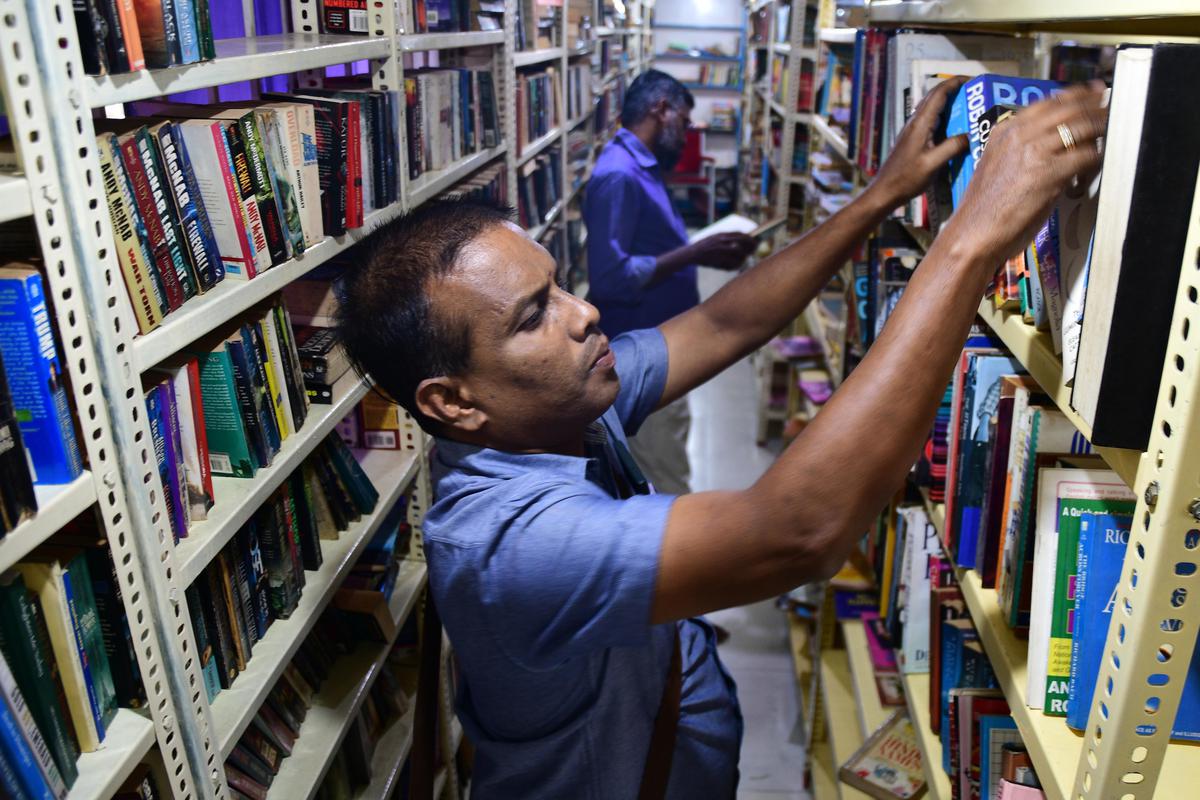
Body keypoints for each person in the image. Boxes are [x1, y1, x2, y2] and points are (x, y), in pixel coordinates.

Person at [336, 78, 1107, 799]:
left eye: (559, 284)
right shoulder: (509, 545)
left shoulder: (550, 406)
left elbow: (723, 321)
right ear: (455, 402)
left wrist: (883, 196)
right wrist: (970, 240)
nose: (584, 313)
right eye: (534, 315)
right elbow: (795, 531)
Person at [584, 70, 757, 494]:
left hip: (662, 342)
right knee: (663, 477)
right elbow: (610, 278)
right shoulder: (619, 175)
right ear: (661, 110)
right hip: (638, 353)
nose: (686, 134)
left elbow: (646, 246)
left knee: (665, 458)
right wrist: (697, 251)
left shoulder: (642, 166)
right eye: (683, 120)